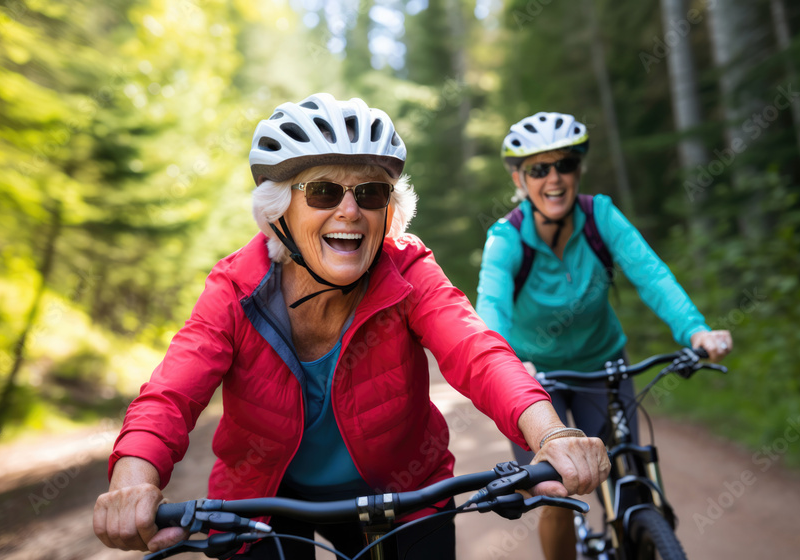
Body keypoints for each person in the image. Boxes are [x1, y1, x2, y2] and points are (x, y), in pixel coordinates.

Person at [92, 94, 610, 560]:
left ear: (389, 210)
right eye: (321, 191)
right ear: (280, 211)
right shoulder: (235, 287)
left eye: (369, 192)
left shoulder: (406, 268)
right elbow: (170, 395)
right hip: (261, 501)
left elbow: (479, 353)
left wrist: (552, 432)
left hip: (401, 492)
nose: (350, 210)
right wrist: (133, 480)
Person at [476, 111, 733, 560]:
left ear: (579, 170)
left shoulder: (601, 216)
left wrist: (695, 331)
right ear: (520, 178)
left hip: (603, 366)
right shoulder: (507, 239)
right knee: (555, 492)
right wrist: (504, 366)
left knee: (629, 466)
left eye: (565, 165)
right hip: (533, 380)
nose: (554, 179)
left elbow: (652, 275)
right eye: (539, 169)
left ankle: (641, 533)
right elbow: (491, 309)